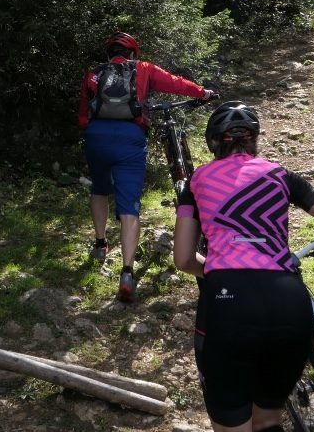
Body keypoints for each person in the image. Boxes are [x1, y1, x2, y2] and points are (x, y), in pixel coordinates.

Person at [173, 101, 314, 432]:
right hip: (288, 303)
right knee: (268, 421)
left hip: (229, 305)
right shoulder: (280, 175)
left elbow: (182, 258)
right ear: (254, 140)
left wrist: (216, 271)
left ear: (214, 143)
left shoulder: (195, 183)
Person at [79, 31, 215, 303]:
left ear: (109, 54)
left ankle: (100, 244)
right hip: (130, 139)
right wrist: (203, 92)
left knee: (99, 189)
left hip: (96, 137)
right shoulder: (144, 69)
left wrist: (92, 133)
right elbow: (175, 83)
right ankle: (127, 272)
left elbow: (84, 113)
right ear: (133, 54)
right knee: (129, 205)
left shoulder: (93, 74)